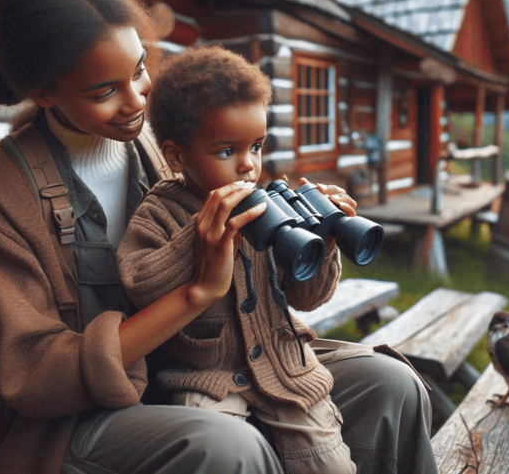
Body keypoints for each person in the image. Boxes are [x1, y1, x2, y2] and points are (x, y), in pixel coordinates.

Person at [0, 0, 437, 474]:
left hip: (203, 366)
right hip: (78, 415)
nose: (136, 100)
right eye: (104, 91)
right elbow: (34, 377)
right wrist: (198, 291)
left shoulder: (159, 141)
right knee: (231, 448)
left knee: (395, 386)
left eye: (140, 69)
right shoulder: (1, 188)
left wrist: (312, 234)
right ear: (44, 92)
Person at [119, 46, 357, 473]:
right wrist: (197, 239)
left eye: (257, 146)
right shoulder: (160, 212)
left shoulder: (268, 208)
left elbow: (306, 298)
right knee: (217, 450)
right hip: (205, 378)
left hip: (286, 369)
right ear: (177, 157)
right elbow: (139, 285)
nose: (248, 166)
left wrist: (324, 241)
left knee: (329, 462)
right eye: (227, 151)